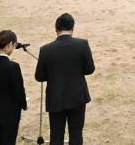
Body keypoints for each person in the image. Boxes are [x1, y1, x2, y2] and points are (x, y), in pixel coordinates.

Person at [35, 14, 95, 145]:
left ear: (56, 29)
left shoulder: (45, 50)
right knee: (76, 135)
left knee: (56, 136)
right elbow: (90, 69)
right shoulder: (82, 44)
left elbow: (39, 76)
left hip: (55, 98)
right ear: (72, 28)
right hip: (77, 96)